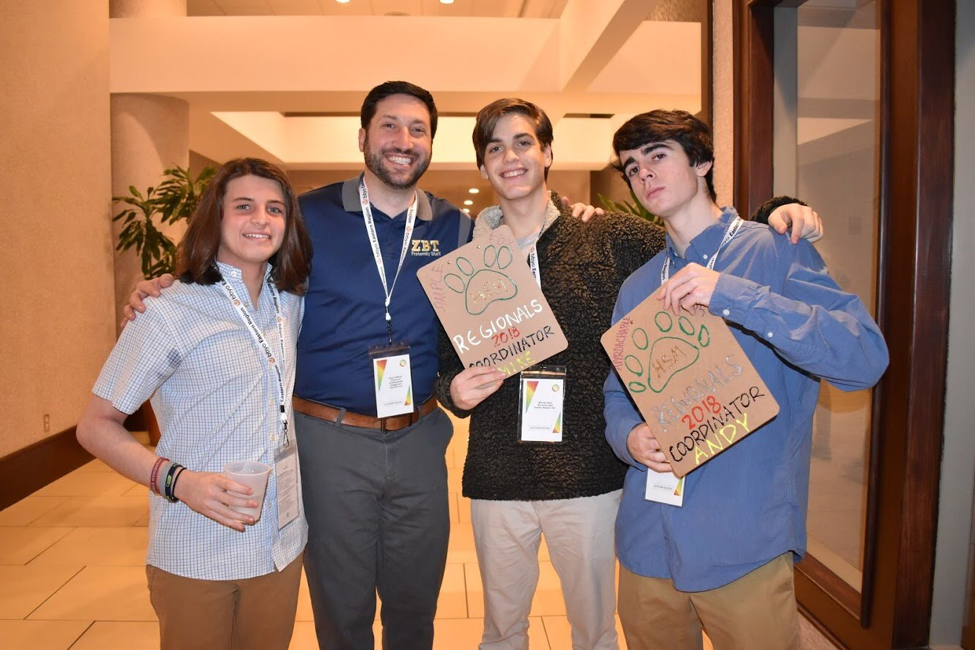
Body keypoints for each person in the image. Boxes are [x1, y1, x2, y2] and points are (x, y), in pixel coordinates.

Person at [121, 81, 602, 650]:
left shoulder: (456, 226)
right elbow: (243, 259)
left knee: (415, 604)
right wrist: (172, 282)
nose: (403, 140)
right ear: (363, 137)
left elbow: (524, 232)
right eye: (390, 126)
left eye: (418, 129)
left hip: (422, 438)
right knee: (340, 607)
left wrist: (574, 212)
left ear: (431, 144)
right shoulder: (309, 215)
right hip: (329, 438)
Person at [435, 99, 823, 650]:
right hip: (498, 472)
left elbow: (695, 239)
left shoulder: (607, 235)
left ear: (547, 153)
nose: (510, 157)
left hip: (591, 474)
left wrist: (778, 214)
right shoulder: (466, 259)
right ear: (481, 167)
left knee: (596, 634)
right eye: (493, 148)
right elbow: (445, 359)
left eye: (523, 142)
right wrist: (451, 389)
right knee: (500, 632)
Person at [603, 110, 889, 650]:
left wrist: (732, 295)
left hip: (741, 537)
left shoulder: (775, 249)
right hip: (647, 542)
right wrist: (629, 437)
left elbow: (863, 358)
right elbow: (618, 393)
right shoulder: (640, 283)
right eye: (632, 167)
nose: (644, 176)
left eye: (658, 156)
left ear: (703, 161)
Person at [77, 158, 313, 650]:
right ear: (215, 217)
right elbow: (95, 427)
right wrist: (178, 482)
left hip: (280, 542)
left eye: (274, 209)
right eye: (243, 206)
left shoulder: (288, 302)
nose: (260, 220)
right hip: (197, 544)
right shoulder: (165, 309)